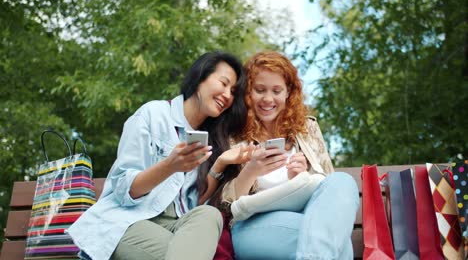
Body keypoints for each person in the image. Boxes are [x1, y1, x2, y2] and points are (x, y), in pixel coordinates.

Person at [67, 51, 248, 260]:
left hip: (174, 226)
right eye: (223, 83)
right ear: (200, 77)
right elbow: (125, 189)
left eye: (233, 91)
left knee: (209, 215)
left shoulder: (210, 139)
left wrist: (220, 163)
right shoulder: (153, 114)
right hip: (128, 222)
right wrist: (169, 166)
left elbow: (190, 203)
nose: (227, 95)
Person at [210, 51, 360, 259]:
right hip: (253, 225)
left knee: (342, 181)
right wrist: (252, 171)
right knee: (335, 243)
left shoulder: (307, 129)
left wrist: (300, 177)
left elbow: (329, 192)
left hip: (305, 216)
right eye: (260, 90)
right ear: (247, 92)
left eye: (276, 90)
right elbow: (222, 205)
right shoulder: (232, 134)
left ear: (288, 92)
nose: (268, 99)